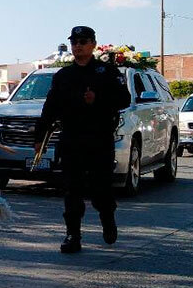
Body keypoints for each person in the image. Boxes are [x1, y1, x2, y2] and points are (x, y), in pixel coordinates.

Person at [33, 26, 131, 254]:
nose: (77, 45)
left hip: (99, 139)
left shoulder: (106, 71)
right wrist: (40, 136)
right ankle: (72, 235)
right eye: (74, 41)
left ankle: (107, 218)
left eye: (83, 41)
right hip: (71, 140)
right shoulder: (63, 75)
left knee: (101, 189)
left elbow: (123, 99)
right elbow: (50, 108)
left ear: (93, 45)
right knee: (71, 190)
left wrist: (99, 99)